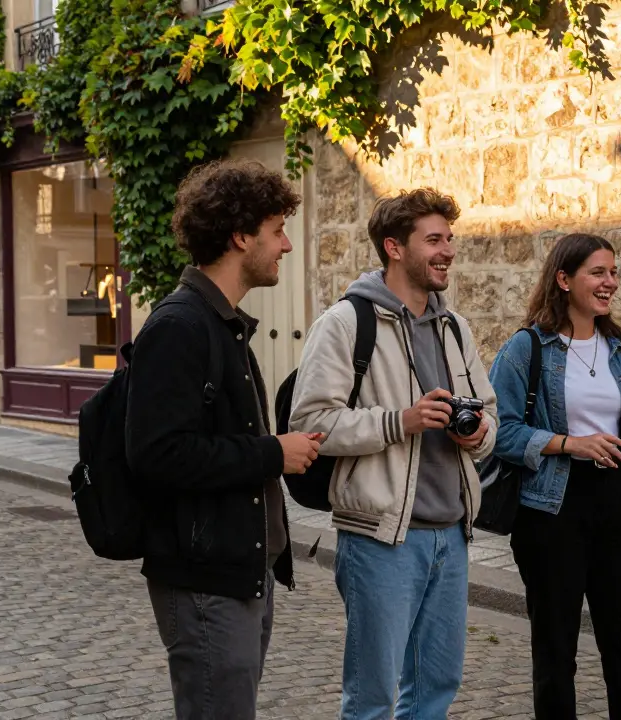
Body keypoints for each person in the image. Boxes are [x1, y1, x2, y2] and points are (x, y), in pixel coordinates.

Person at [288, 187, 498, 720]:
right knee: (373, 696)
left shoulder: (455, 328)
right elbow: (311, 424)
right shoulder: (344, 323)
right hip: (381, 539)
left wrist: (477, 436)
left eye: (450, 239)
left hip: (451, 535)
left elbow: (490, 414)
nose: (448, 250)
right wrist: (399, 421)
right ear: (394, 247)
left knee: (435, 688)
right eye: (434, 240)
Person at [125, 159, 323, 719]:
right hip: (204, 579)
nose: (286, 245)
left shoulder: (222, 322)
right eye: (277, 229)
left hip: (239, 569)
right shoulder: (179, 326)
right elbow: (156, 453)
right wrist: (272, 453)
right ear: (241, 236)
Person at [488, 233, 621, 719]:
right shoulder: (527, 348)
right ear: (564, 279)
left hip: (616, 504)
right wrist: (568, 443)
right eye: (597, 273)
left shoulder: (619, 349)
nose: (610, 282)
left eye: (613, 273)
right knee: (555, 649)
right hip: (550, 509)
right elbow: (496, 430)